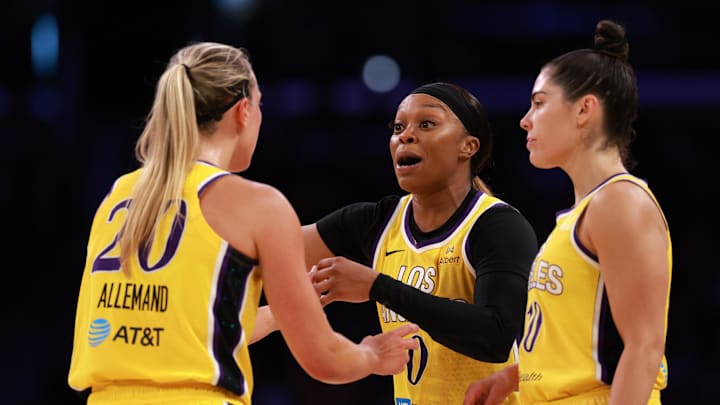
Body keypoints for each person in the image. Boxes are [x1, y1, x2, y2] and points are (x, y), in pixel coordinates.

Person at [67, 41, 420, 405]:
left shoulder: (119, 195)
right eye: (260, 104)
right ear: (242, 112)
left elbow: (188, 330)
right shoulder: (259, 205)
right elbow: (325, 360)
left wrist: (287, 312)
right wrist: (371, 355)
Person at [463, 19, 672, 405]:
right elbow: (579, 344)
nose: (525, 119)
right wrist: (515, 377)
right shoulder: (582, 213)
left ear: (584, 110)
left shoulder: (620, 202)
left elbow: (643, 348)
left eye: (539, 103)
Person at [300, 82, 539, 405]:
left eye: (426, 124)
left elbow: (494, 335)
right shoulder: (377, 221)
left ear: (468, 146)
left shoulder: (497, 225)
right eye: (398, 127)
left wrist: (378, 287)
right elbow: (268, 253)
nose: (405, 136)